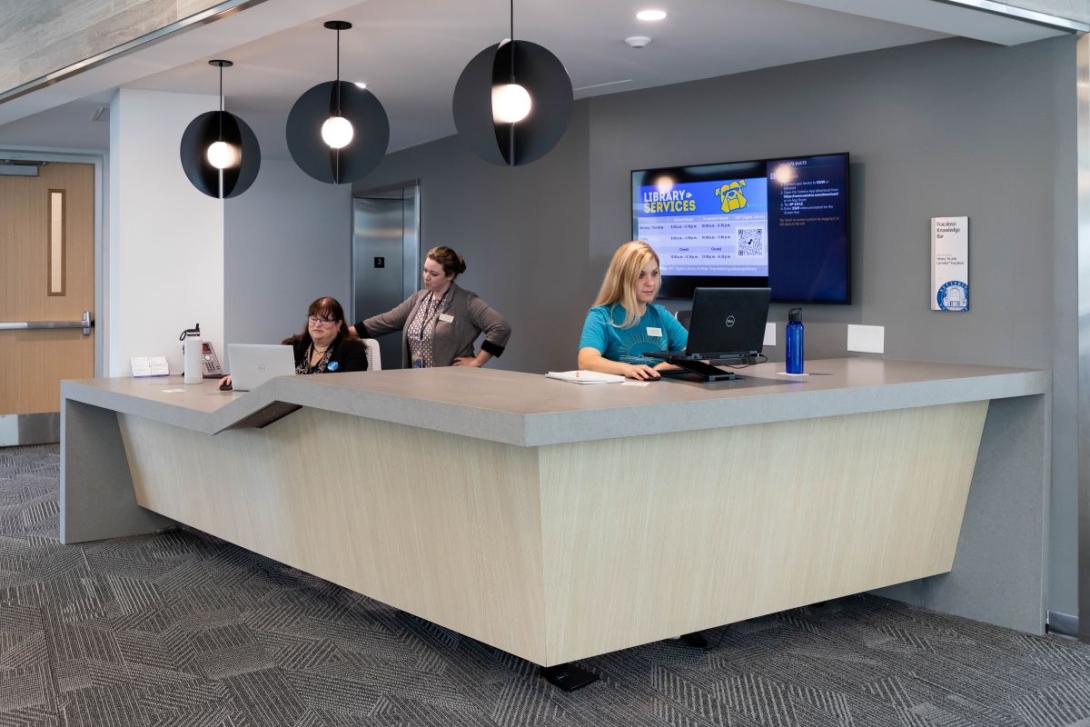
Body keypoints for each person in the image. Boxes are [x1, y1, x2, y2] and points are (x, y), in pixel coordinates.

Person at [350, 246, 511, 368]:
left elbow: (500, 327)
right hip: (417, 380)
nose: (426, 277)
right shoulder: (419, 298)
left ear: (450, 275)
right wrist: (344, 331)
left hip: (453, 383)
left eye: (434, 274)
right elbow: (386, 321)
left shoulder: (466, 301)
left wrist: (477, 362)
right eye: (425, 270)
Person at [578, 240, 688, 380]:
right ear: (623, 279)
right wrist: (627, 369)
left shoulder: (661, 315)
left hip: (659, 394)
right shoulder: (601, 315)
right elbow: (586, 361)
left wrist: (666, 366)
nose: (650, 283)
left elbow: (699, 354)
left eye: (654, 274)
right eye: (640, 275)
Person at [220, 296, 366, 389]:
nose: (317, 324)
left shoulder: (353, 349)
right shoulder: (293, 345)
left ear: (339, 324)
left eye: (325, 320)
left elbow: (351, 388)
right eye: (313, 319)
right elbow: (267, 372)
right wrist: (241, 377)